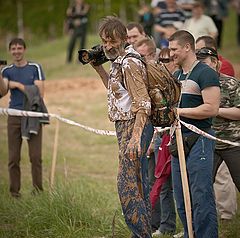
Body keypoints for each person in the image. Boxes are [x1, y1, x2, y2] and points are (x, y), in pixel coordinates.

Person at [90, 16, 153, 237]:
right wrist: (99, 69)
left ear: (125, 39)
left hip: (135, 125)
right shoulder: (119, 62)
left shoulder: (130, 62)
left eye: (112, 41)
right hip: (124, 125)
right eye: (104, 41)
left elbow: (143, 102)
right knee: (138, 183)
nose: (107, 46)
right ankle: (146, 232)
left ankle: (141, 233)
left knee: (126, 186)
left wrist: (135, 138)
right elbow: (117, 93)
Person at [168, 30, 220, 237]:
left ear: (187, 47)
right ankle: (190, 234)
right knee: (181, 197)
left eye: (174, 49)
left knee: (200, 195)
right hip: (177, 139)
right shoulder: (176, 75)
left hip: (201, 139)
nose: (171, 54)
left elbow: (211, 108)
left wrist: (178, 112)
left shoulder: (205, 72)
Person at [195, 36, 237, 222]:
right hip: (206, 142)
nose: (201, 66)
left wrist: (214, 110)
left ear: (215, 63)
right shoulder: (195, 85)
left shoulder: (230, 83)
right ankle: (202, 222)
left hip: (232, 142)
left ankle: (228, 218)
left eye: (204, 62)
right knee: (200, 186)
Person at [1, 38, 47, 198]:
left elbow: (39, 94)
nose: (16, 51)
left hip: (33, 114)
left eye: (19, 48)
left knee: (35, 157)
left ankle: (38, 191)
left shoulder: (35, 67)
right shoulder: (6, 71)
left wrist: (18, 85)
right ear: (10, 51)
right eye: (13, 48)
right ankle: (15, 193)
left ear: (24, 50)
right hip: (14, 116)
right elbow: (2, 92)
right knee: (13, 158)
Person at [151, 47, 178, 236]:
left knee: (181, 185)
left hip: (181, 138)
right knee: (162, 184)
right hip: (161, 137)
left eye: (166, 60)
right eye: (160, 61)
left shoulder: (181, 82)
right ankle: (167, 226)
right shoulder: (158, 84)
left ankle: (191, 228)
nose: (163, 64)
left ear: (175, 60)